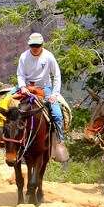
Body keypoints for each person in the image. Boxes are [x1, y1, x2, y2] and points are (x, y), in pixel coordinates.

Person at [16, 32, 68, 162]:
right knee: (5, 101)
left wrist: (54, 94)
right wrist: (22, 86)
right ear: (29, 45)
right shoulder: (24, 56)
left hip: (45, 88)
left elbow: (57, 75)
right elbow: (20, 74)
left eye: (37, 45)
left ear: (42, 45)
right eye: (33, 45)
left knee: (56, 114)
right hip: (27, 87)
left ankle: (59, 141)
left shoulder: (48, 57)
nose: (35, 48)